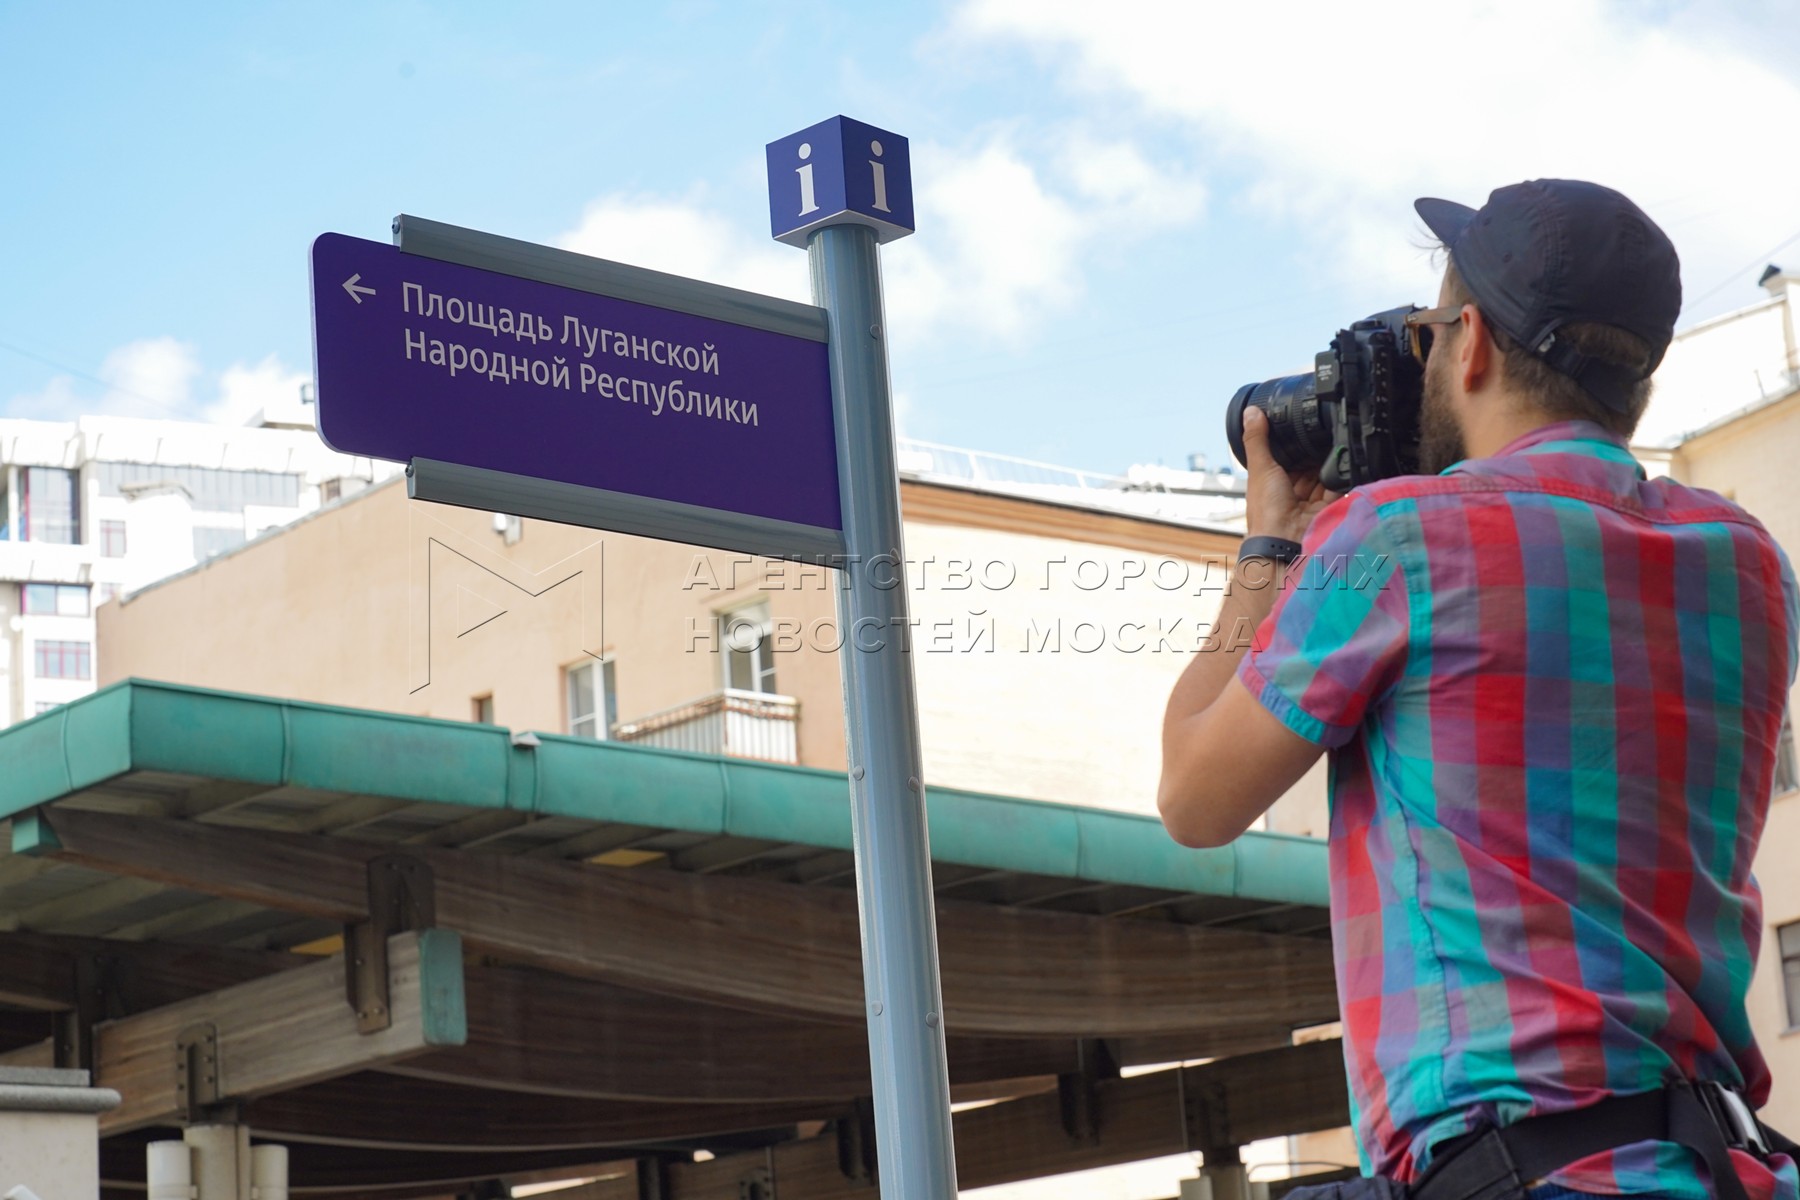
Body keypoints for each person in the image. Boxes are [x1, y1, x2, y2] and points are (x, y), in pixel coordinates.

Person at [1158, 179, 1800, 1200]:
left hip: (1512, 1170)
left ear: (1471, 347)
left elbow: (1195, 797)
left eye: (1430, 331)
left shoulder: (1396, 540)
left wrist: (1271, 548)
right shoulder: (1750, 566)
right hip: (1719, 1164)